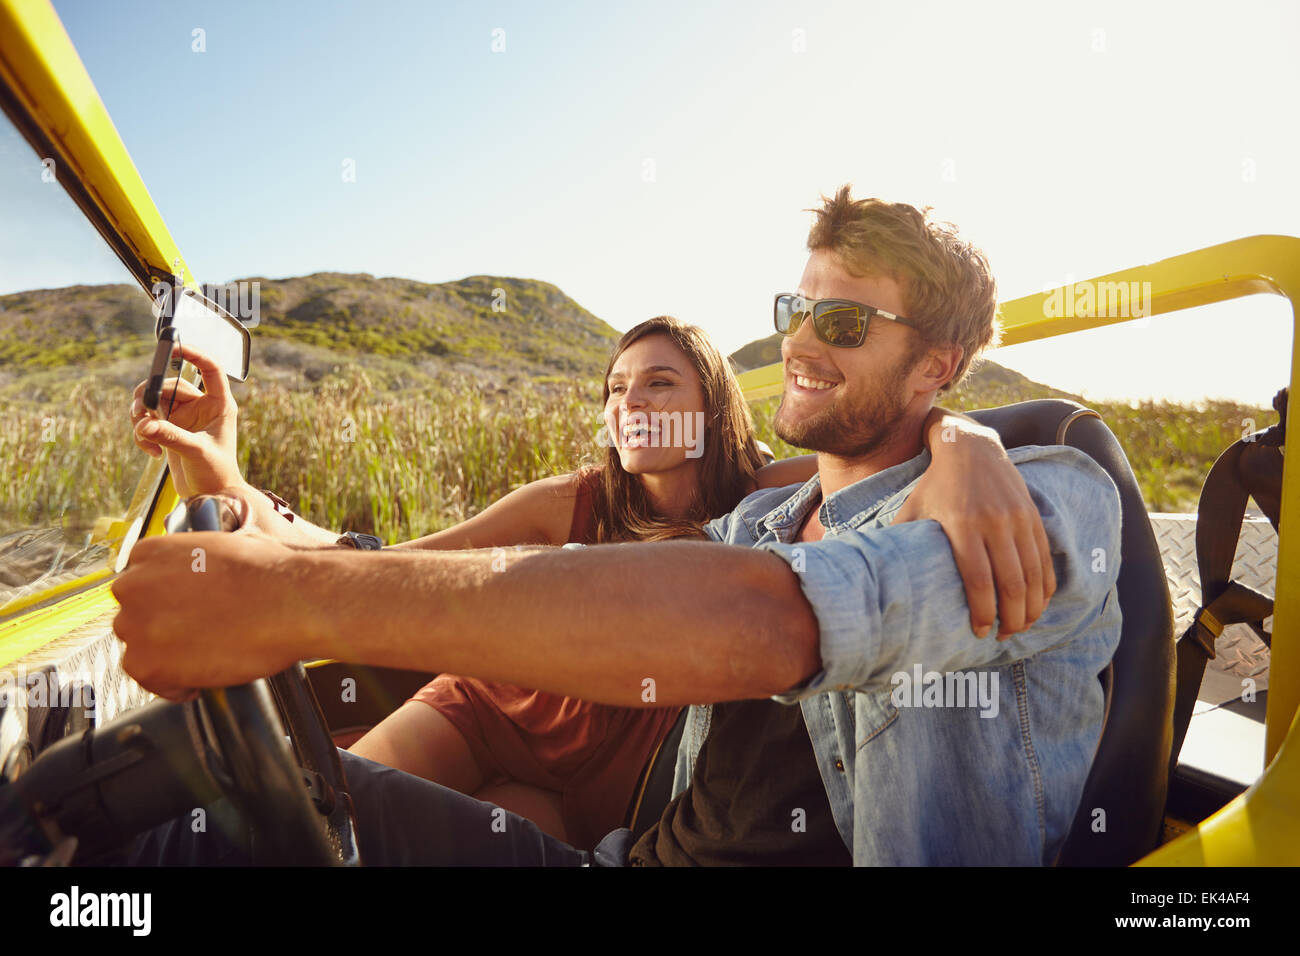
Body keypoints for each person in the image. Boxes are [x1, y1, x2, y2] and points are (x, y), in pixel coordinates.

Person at [115, 186, 1120, 865]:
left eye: (844, 322)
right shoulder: (763, 518)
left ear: (939, 362)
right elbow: (397, 565)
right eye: (795, 310)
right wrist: (233, 487)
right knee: (223, 818)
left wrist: (968, 441)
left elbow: (770, 622)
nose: (801, 342)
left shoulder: (1040, 502)